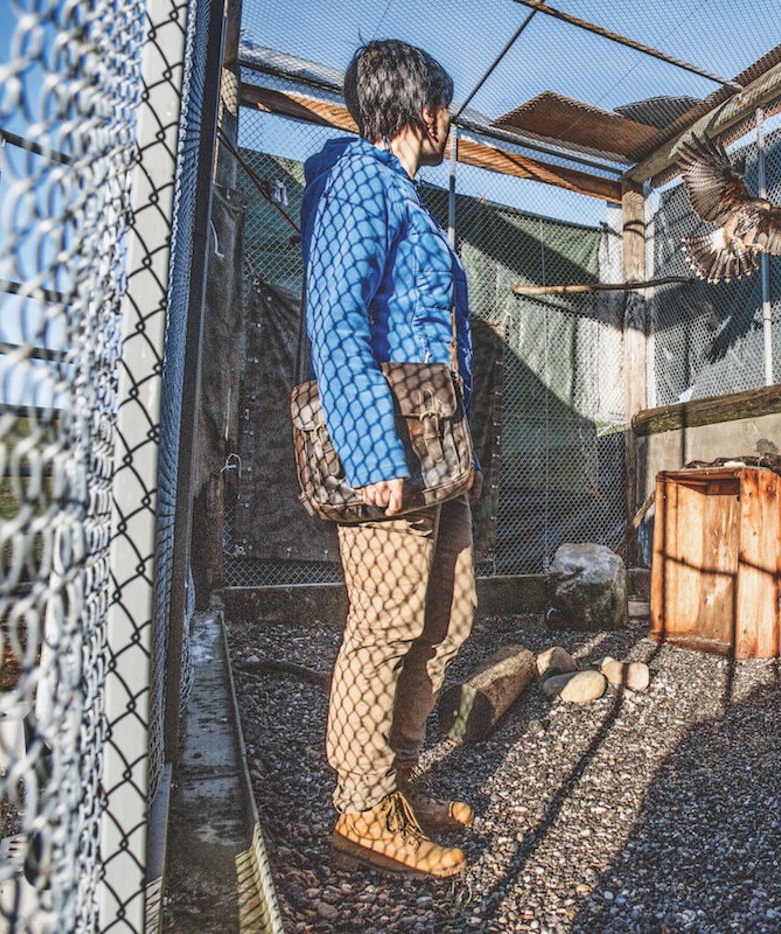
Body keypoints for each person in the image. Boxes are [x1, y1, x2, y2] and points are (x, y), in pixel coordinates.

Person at [300, 38, 480, 879]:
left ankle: (399, 776)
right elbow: (336, 321)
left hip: (435, 441)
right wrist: (375, 449)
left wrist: (453, 444)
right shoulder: (359, 182)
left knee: (451, 617)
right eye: (444, 103)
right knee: (386, 625)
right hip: (391, 440)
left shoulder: (404, 196)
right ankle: (364, 805)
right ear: (419, 108)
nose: (452, 119)